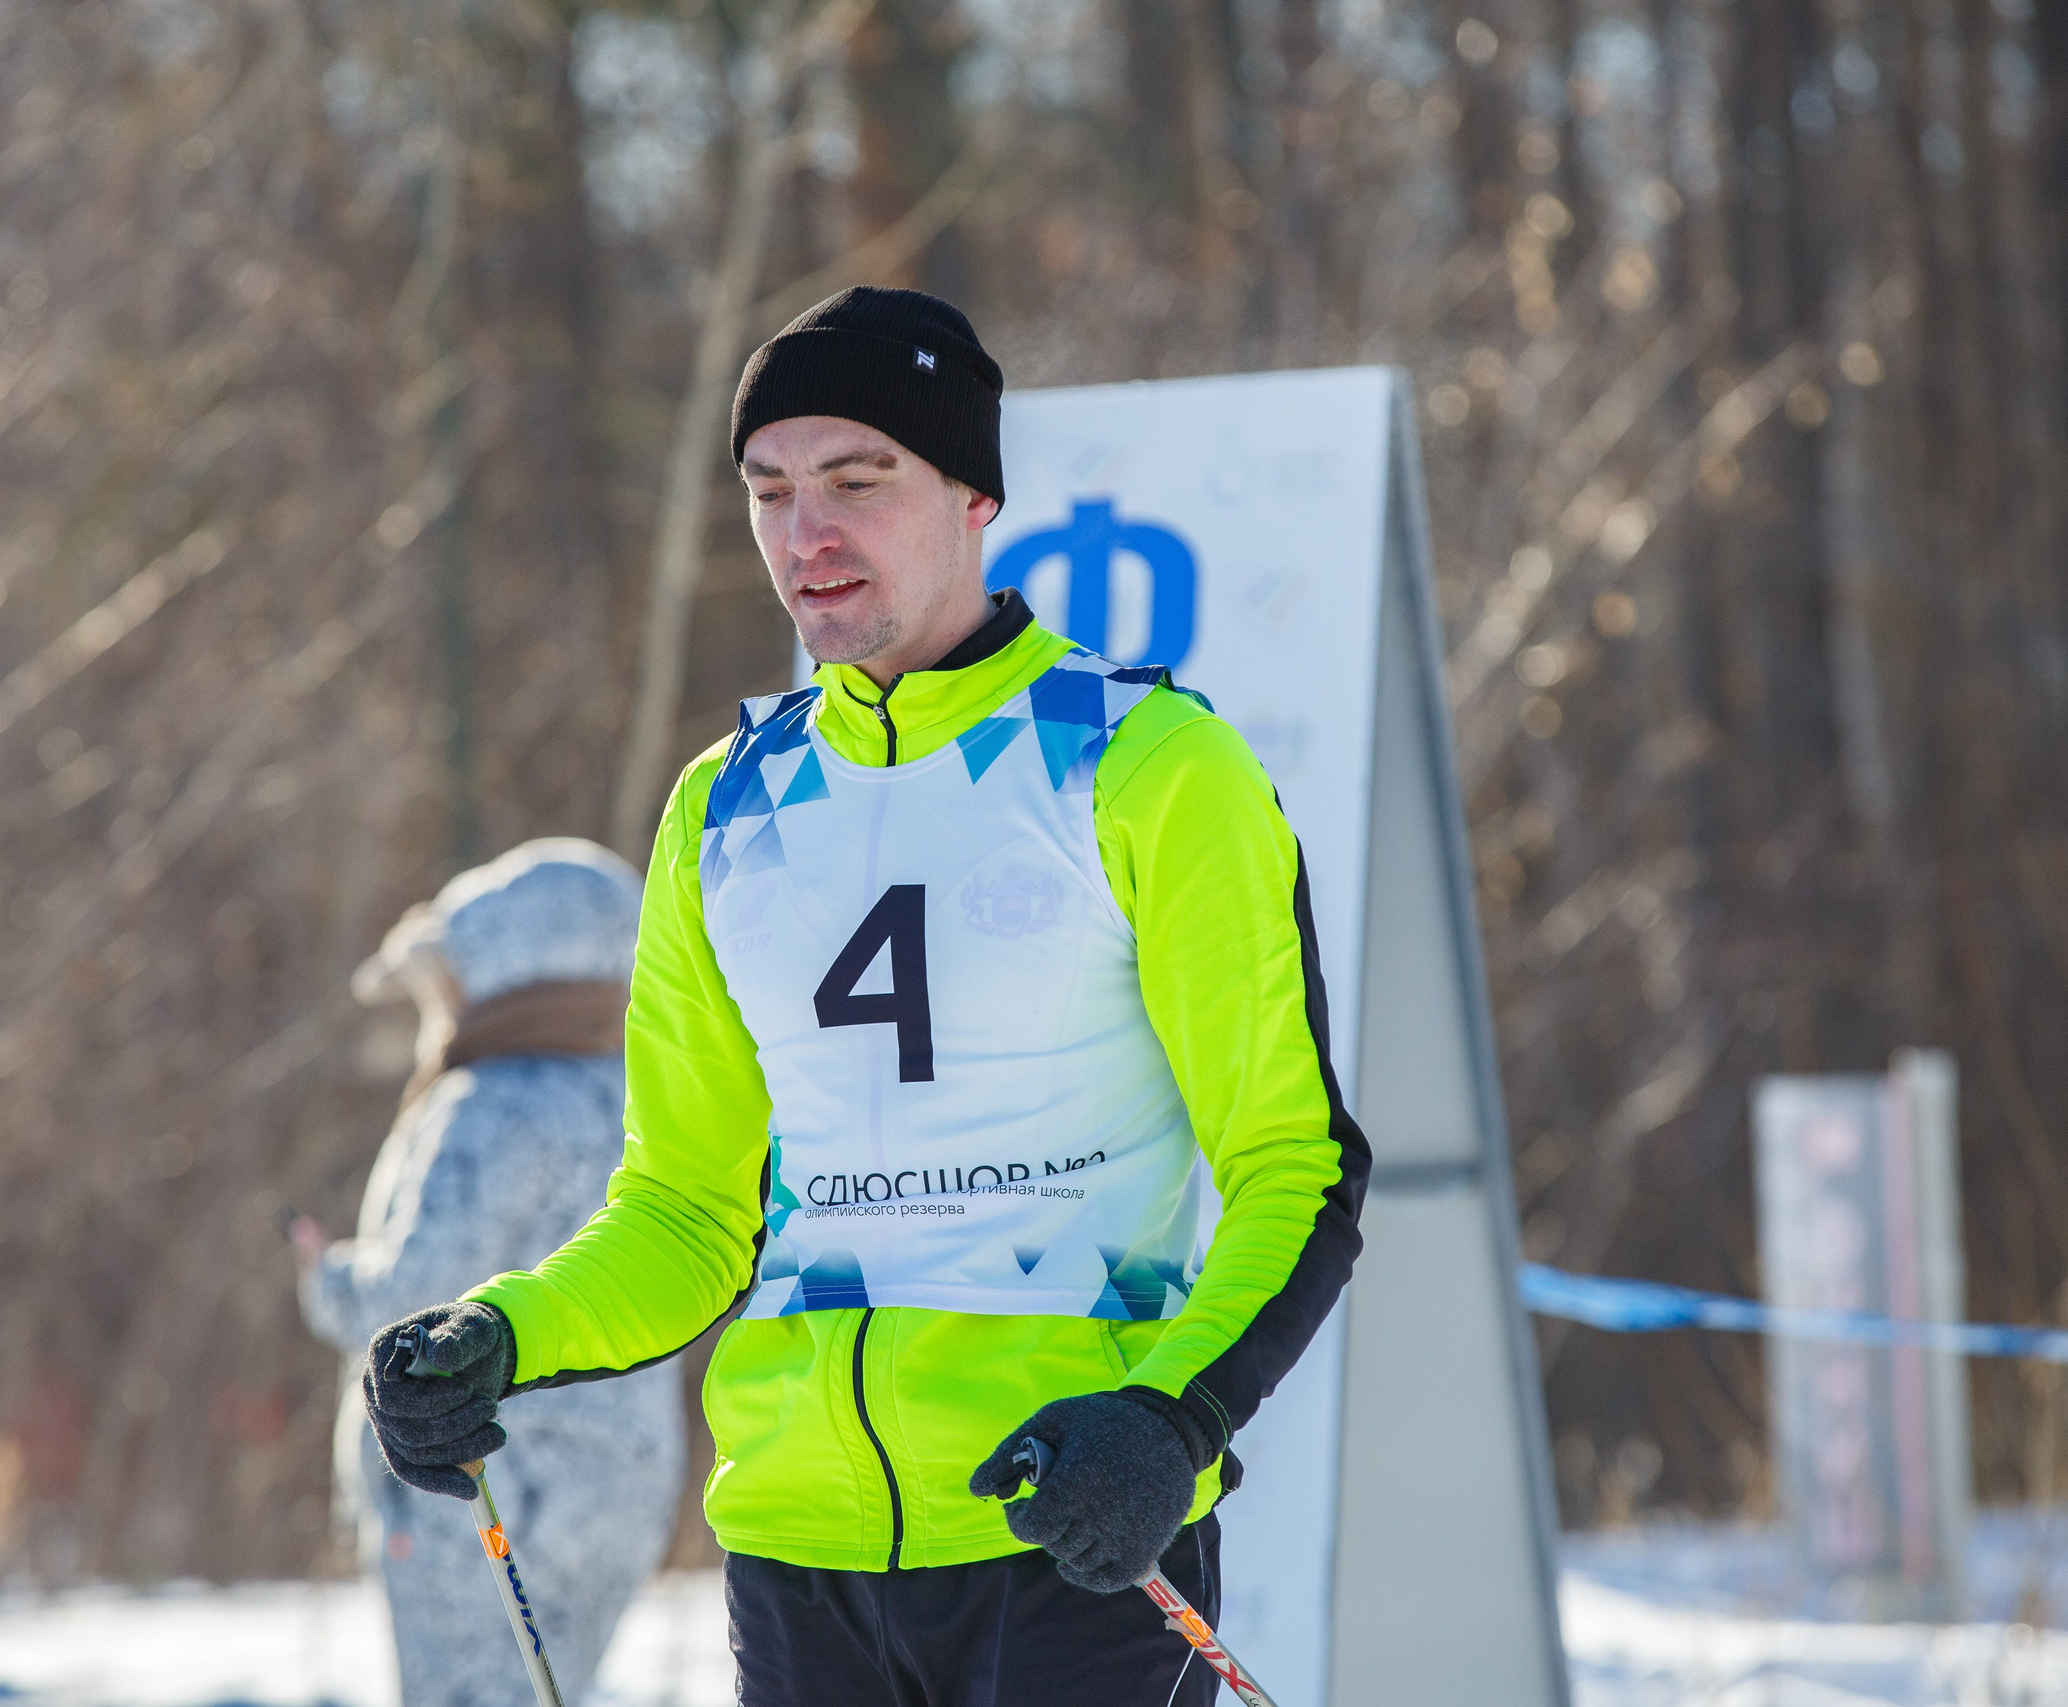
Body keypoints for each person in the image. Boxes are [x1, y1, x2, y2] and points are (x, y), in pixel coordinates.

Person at [358, 287, 1370, 1705]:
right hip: (797, 1557)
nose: (805, 535)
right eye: (769, 490)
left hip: (1066, 1529)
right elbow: (686, 1212)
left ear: (973, 494)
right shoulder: (726, 807)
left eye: (856, 480)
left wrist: (1169, 1418)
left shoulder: (1147, 766)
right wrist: (502, 1331)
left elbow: (1294, 1166)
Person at [296, 839, 682, 1707]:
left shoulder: (487, 1107)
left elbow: (409, 1302)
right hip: (618, 1483)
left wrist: (327, 1280)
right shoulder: (645, 1098)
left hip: (484, 1486)